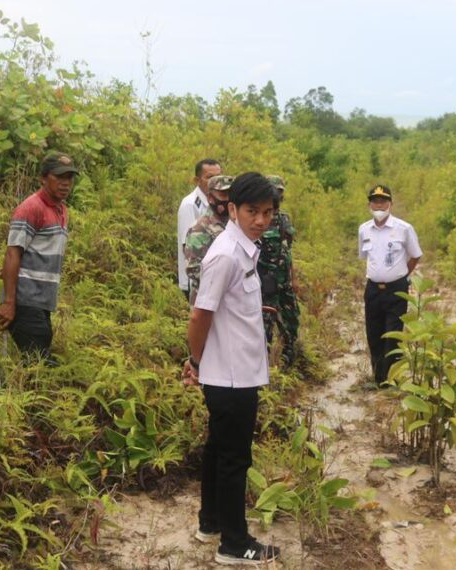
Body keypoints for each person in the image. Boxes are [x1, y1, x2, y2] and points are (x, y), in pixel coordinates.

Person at [184, 172, 282, 566]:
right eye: (252, 211)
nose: (260, 220)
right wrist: (195, 361)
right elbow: (200, 315)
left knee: (218, 450)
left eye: (267, 213)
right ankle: (234, 543)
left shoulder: (244, 249)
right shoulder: (225, 254)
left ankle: (210, 523)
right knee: (234, 458)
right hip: (229, 376)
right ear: (233, 209)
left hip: (235, 371)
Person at [0, 151, 78, 364]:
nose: (65, 183)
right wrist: (9, 302)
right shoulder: (31, 208)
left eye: (69, 178)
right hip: (25, 300)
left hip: (42, 303)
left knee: (36, 363)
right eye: (59, 177)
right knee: (40, 364)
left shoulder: (61, 210)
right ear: (43, 178)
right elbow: (13, 252)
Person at [358, 184, 422, 386]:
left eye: (383, 201)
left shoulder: (404, 228)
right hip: (373, 289)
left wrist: (401, 275)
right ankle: (379, 379)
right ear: (369, 205)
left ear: (390, 204)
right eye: (375, 201)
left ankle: (391, 380)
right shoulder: (364, 229)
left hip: (396, 289)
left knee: (393, 335)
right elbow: (364, 256)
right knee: (374, 334)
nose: (379, 205)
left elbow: (415, 256)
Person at [256, 175, 300, 366]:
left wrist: (293, 277)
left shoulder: (284, 219)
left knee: (291, 321)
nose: (277, 195)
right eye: (274, 191)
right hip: (266, 283)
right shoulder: (257, 221)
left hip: (284, 281)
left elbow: (287, 251)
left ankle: (288, 358)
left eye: (280, 192)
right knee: (265, 326)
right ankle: (264, 365)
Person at [185, 174, 235, 303]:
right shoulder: (199, 229)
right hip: (206, 300)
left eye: (231, 194)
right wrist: (227, 278)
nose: (228, 199)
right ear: (210, 198)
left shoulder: (236, 223)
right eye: (223, 195)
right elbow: (193, 269)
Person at [177, 158, 223, 299]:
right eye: (209, 177)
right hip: (197, 279)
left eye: (218, 177)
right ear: (197, 180)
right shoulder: (190, 204)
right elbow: (187, 246)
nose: (215, 182)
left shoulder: (219, 203)